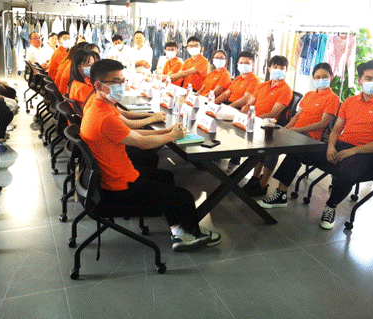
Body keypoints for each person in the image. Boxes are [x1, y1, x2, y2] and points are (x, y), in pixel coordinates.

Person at [80, 59, 221, 251]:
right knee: (184, 196)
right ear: (98, 85)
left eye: (122, 81)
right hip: (119, 185)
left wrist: (166, 132)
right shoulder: (104, 117)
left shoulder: (99, 106)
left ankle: (178, 231)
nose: (121, 86)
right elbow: (142, 143)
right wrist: (172, 136)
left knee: (166, 177)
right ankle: (194, 235)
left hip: (114, 175)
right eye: (115, 82)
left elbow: (132, 134)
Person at [270, 59, 373, 229]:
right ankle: (281, 194)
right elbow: (336, 129)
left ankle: (331, 207)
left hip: (366, 153)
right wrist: (331, 146)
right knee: (298, 151)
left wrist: (352, 152)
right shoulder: (349, 102)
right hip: (341, 145)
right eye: (369, 78)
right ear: (360, 81)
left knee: (346, 172)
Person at [243, 63, 340, 199]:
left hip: (310, 136)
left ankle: (263, 184)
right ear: (313, 78)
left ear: (331, 77)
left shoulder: (332, 98)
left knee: (273, 145)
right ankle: (255, 178)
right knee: (266, 139)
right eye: (317, 77)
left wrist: (297, 130)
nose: (321, 79)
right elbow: (297, 115)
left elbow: (323, 123)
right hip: (295, 131)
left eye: (325, 76)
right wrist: (287, 127)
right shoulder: (309, 94)